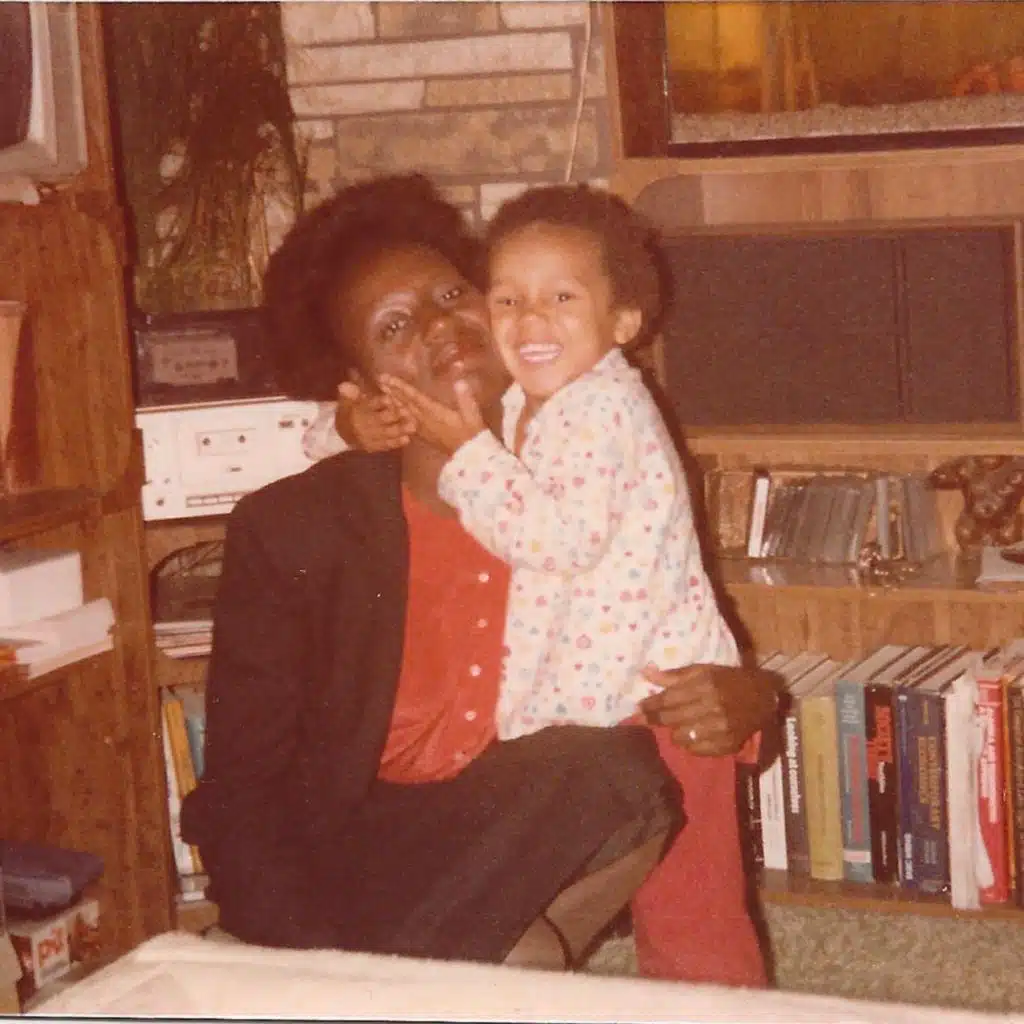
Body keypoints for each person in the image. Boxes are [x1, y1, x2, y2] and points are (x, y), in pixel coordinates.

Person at [181, 173, 777, 983]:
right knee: (520, 958)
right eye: (395, 326)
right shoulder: (291, 530)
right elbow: (243, 793)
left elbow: (666, 610)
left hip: (517, 821)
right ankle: (371, 978)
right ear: (358, 382)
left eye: (452, 294)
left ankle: (433, 975)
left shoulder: (577, 467)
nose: (439, 326)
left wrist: (748, 696)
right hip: (363, 856)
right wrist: (295, 951)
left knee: (622, 775)